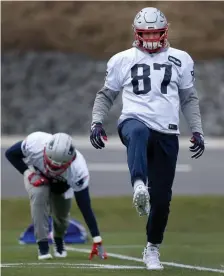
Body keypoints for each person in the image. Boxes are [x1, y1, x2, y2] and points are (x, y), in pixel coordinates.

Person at [90, 7, 205, 270]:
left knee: (162, 200)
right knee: (138, 131)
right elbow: (105, 95)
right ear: (136, 34)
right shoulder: (122, 59)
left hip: (168, 131)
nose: (151, 39)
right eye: (146, 33)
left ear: (165, 32)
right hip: (134, 122)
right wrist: (96, 122)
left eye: (155, 33)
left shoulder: (181, 59)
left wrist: (197, 130)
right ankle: (139, 184)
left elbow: (189, 98)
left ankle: (152, 248)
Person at [5, 131, 107, 260]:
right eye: (50, 162)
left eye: (58, 166)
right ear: (45, 151)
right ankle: (43, 248)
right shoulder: (35, 142)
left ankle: (58, 239)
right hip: (37, 175)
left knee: (62, 218)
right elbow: (10, 154)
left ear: (69, 161)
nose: (53, 168)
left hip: (62, 186)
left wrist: (97, 238)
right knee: (38, 196)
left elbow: (85, 206)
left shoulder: (78, 170)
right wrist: (28, 173)